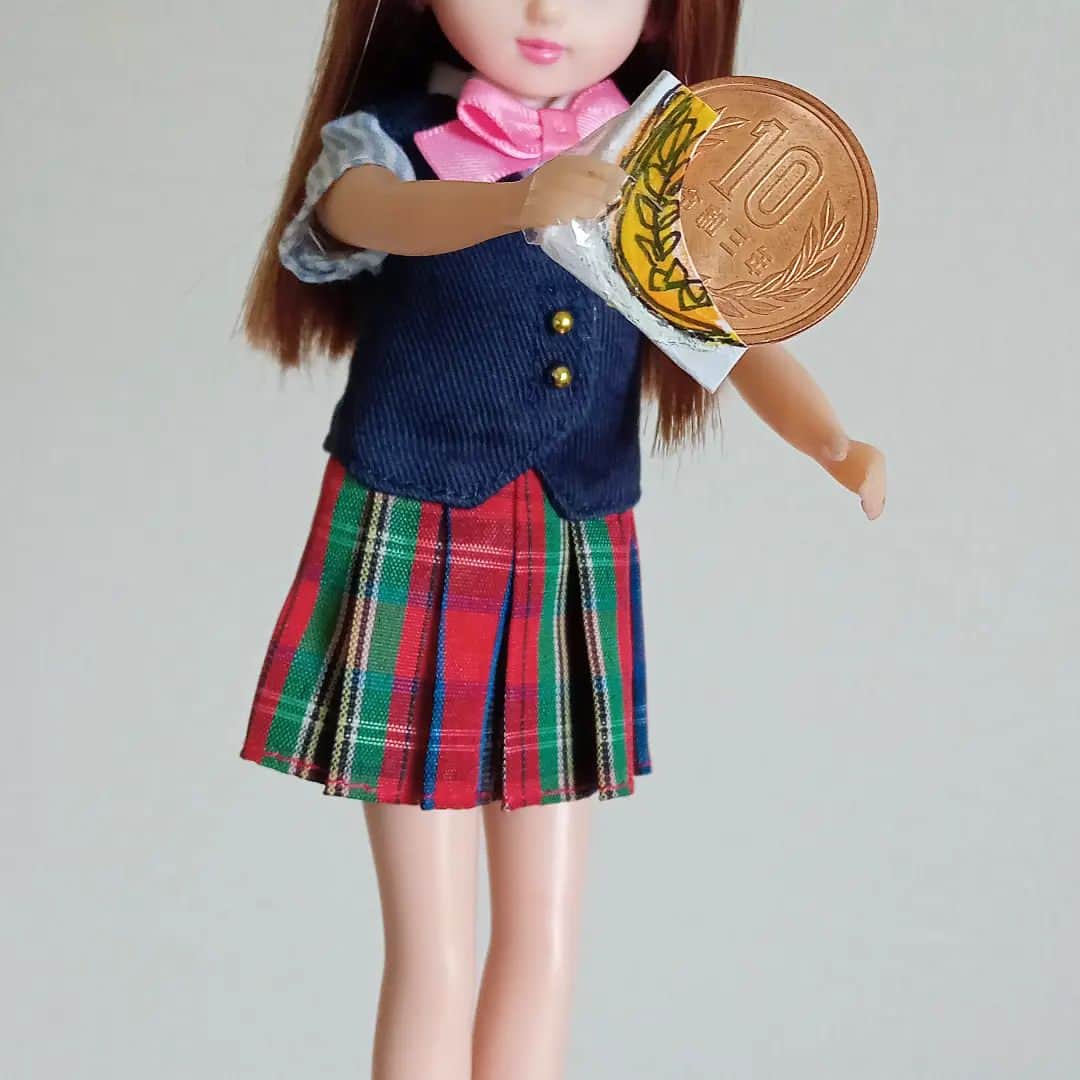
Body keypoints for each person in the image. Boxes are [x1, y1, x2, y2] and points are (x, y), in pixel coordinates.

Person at [237, 2, 886, 1077]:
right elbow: (365, 213)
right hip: (418, 518)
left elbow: (726, 333)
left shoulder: (654, 163)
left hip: (571, 537)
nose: (546, 10)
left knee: (545, 940)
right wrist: (517, 200)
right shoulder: (391, 140)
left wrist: (832, 440)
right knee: (433, 951)